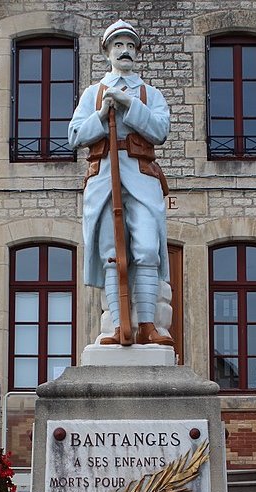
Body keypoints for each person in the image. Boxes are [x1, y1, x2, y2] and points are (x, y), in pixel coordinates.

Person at [68, 19, 174, 346]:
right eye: (118, 45)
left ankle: (146, 325)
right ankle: (117, 325)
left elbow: (160, 130)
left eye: (130, 46)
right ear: (107, 52)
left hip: (141, 176)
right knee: (110, 252)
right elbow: (75, 135)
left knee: (146, 246)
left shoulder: (149, 93)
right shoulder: (93, 93)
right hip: (104, 177)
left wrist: (130, 105)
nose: (124, 51)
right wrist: (101, 115)